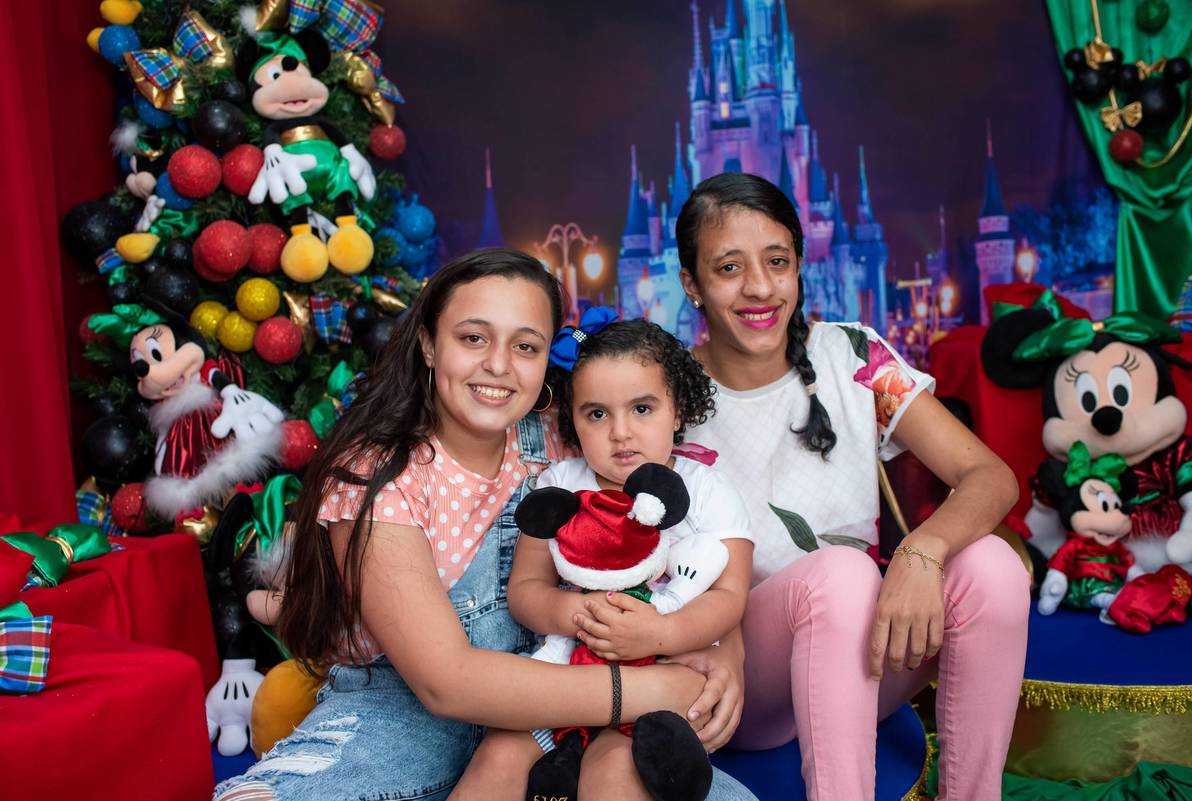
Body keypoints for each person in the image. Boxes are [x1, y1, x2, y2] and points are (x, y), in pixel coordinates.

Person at [212, 249, 754, 801]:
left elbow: (689, 551)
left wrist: (724, 654)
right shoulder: (376, 474)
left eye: (525, 346)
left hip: (570, 712)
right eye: (473, 338)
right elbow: (445, 683)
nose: (498, 365)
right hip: (409, 721)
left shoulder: (576, 438)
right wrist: (651, 687)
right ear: (429, 344)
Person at [670, 173, 1030, 801]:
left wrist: (921, 551)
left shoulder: (853, 356)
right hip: (740, 679)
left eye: (777, 261)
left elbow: (990, 476)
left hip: (861, 661)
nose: (760, 287)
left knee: (993, 567)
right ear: (692, 284)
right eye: (729, 268)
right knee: (840, 575)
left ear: (798, 266)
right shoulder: (666, 394)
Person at [452, 316, 754, 801]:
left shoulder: (707, 491)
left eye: (642, 408)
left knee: (615, 769)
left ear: (677, 411)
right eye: (596, 414)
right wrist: (578, 613)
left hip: (652, 688)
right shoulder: (560, 484)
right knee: (498, 758)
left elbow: (730, 596)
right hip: (564, 677)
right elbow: (526, 590)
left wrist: (661, 633)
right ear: (572, 421)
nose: (620, 432)